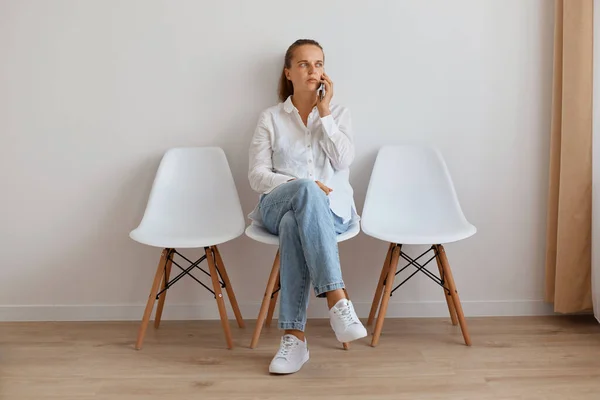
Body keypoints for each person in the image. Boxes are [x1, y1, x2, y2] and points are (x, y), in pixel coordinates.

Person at [248, 39, 367, 375]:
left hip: (330, 214)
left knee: (293, 225)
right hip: (275, 205)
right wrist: (300, 185)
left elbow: (344, 160)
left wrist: (325, 112)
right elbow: (257, 177)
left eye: (318, 64)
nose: (313, 70)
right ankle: (337, 300)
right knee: (304, 192)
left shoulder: (339, 114)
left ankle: (294, 340)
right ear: (288, 73)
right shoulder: (270, 118)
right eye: (304, 64)